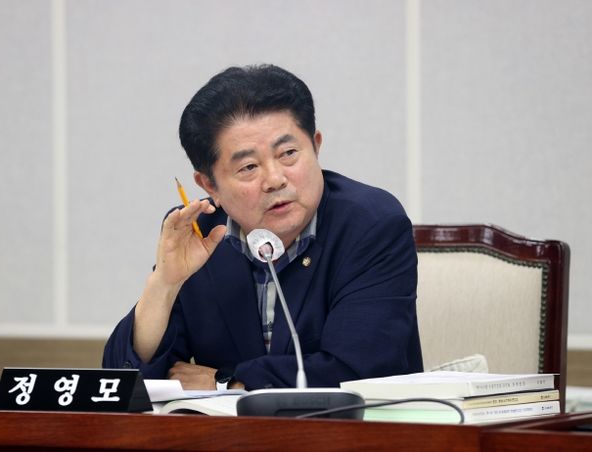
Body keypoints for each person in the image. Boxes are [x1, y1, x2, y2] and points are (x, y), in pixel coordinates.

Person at [103, 64, 423, 390]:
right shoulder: (201, 235)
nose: (275, 179)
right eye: (248, 167)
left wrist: (226, 383)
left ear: (316, 146)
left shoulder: (370, 226)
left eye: (288, 153)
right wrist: (164, 285)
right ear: (209, 185)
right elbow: (123, 382)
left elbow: (359, 371)